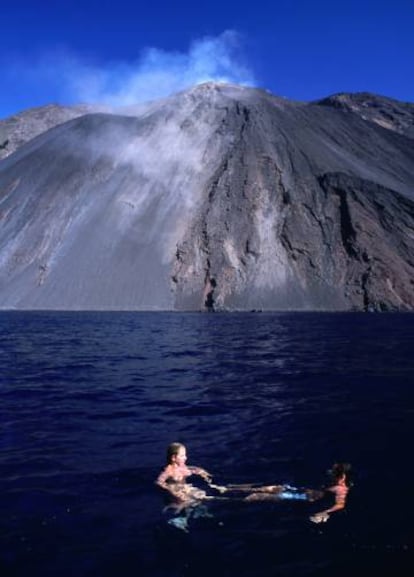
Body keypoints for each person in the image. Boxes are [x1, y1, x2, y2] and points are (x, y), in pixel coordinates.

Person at [156, 442, 214, 507]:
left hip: (185, 488)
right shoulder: (168, 471)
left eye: (185, 455)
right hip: (176, 492)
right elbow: (159, 482)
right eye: (182, 456)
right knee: (187, 501)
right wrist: (171, 489)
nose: (185, 458)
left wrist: (202, 472)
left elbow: (192, 469)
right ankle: (181, 512)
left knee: (201, 495)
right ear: (173, 458)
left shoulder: (182, 466)